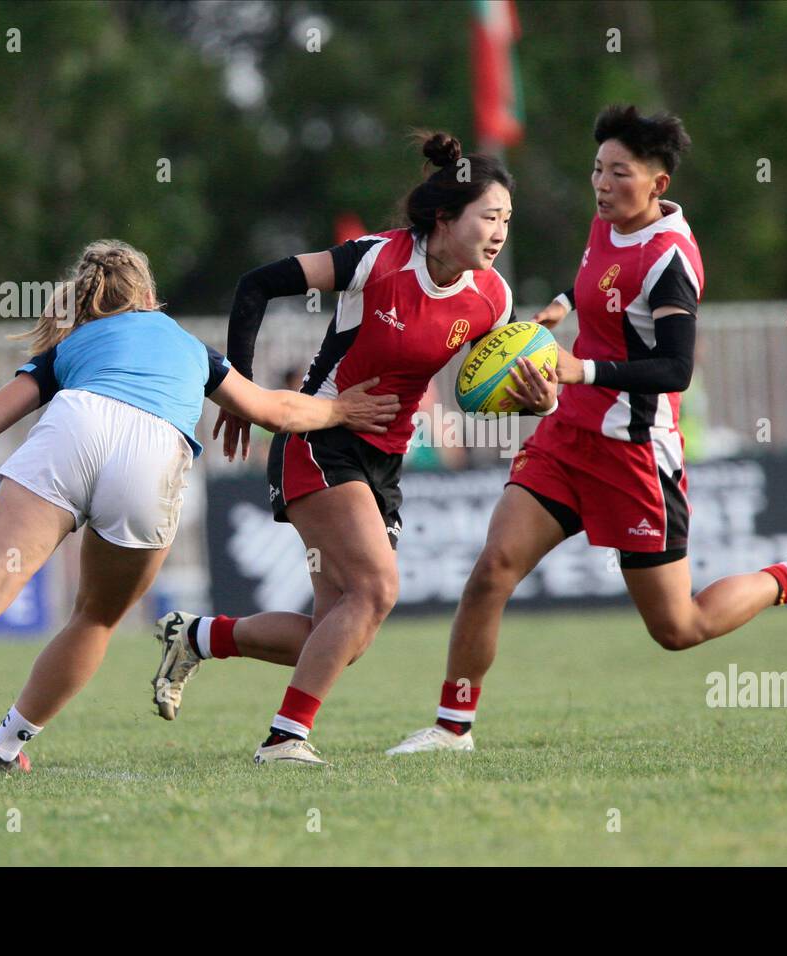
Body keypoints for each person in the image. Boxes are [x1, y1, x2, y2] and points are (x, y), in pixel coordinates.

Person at [387, 105, 787, 756]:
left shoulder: (671, 259)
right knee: (491, 572)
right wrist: (563, 307)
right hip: (568, 437)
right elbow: (596, 276)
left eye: (619, 173)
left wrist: (578, 367)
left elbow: (676, 368)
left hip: (634, 453)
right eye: (597, 169)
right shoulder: (608, 223)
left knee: (679, 627)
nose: (602, 184)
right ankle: (453, 729)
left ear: (658, 183)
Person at [0, 240, 396, 781]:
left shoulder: (70, 346)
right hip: (152, 453)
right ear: (150, 294)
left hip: (73, 425)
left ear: (84, 300)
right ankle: (3, 748)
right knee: (96, 618)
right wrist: (339, 408)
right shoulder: (189, 347)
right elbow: (273, 409)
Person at [151, 133, 547, 766]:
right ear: (445, 219)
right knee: (377, 589)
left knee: (338, 632)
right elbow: (257, 284)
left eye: (507, 219)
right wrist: (241, 393)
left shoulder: (492, 298)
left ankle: (197, 635)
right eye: (489, 217)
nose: (500, 232)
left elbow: (485, 387)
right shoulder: (378, 260)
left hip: (383, 460)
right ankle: (284, 739)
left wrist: (536, 394)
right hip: (317, 437)